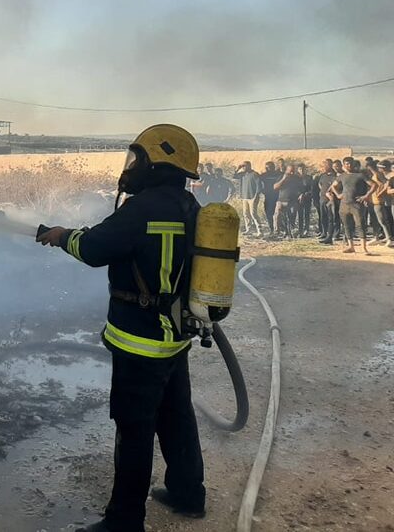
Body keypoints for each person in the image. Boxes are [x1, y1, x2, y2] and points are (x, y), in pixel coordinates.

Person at [38, 124, 206, 532]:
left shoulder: (142, 208)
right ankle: (188, 494)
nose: (132, 167)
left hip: (140, 341)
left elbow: (94, 247)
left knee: (134, 428)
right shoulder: (190, 207)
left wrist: (62, 236)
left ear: (157, 164)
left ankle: (124, 521)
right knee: (176, 416)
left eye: (139, 159)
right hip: (174, 336)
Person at [330, 157, 372, 254]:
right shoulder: (342, 176)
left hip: (356, 204)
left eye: (350, 163)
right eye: (346, 164)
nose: (349, 165)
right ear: (344, 165)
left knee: (360, 225)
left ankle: (364, 248)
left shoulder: (360, 175)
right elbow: (333, 186)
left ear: (353, 164)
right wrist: (338, 195)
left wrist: (366, 196)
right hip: (344, 204)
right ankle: (351, 246)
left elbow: (373, 185)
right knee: (346, 226)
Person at [272, 164, 302, 239]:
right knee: (277, 215)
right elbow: (275, 187)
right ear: (286, 170)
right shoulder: (281, 176)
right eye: (290, 171)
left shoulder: (296, 178)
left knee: (292, 217)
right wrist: (283, 179)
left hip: (292, 201)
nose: (292, 173)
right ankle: (277, 231)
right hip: (281, 200)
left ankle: (290, 232)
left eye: (293, 171)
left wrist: (301, 194)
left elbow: (301, 188)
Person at [233, 161, 262, 236]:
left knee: (253, 214)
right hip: (245, 197)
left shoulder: (255, 174)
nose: (243, 167)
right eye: (242, 166)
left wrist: (256, 196)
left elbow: (259, 186)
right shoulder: (243, 174)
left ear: (249, 166)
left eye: (244, 166)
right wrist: (238, 168)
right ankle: (249, 229)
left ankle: (260, 230)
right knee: (246, 213)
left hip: (252, 197)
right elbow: (234, 176)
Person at [370, 160, 394, 248]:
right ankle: (384, 237)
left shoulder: (380, 175)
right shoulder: (381, 175)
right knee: (380, 220)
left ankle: (389, 238)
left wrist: (380, 193)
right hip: (376, 200)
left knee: (383, 221)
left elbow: (386, 185)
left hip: (380, 201)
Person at [316, 159, 339, 245]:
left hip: (331, 200)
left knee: (332, 218)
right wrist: (321, 191)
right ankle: (324, 233)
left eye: (325, 165)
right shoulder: (323, 175)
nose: (324, 167)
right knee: (323, 217)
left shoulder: (335, 176)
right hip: (322, 199)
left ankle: (333, 235)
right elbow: (320, 184)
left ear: (330, 165)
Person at [259, 161, 282, 237]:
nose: (267, 168)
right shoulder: (263, 175)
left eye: (268, 167)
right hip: (268, 197)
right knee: (268, 213)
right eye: (266, 167)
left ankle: (279, 229)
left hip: (277, 196)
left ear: (273, 167)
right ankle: (271, 229)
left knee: (278, 214)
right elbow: (258, 183)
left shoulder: (278, 174)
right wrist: (262, 191)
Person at [296, 163, 315, 237]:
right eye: (300, 169)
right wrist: (300, 194)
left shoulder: (309, 178)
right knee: (300, 214)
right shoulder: (296, 178)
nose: (302, 171)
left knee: (307, 214)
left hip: (307, 198)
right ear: (298, 170)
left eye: (303, 169)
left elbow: (312, 188)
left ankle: (306, 229)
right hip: (298, 198)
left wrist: (305, 194)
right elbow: (294, 188)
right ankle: (300, 230)